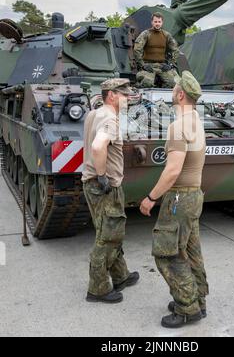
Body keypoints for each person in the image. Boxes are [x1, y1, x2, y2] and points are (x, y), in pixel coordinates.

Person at [140, 71, 209, 328]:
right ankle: (197, 299)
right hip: (195, 196)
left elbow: (172, 171)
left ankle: (187, 308)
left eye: (174, 88)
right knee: (191, 252)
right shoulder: (196, 121)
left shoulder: (177, 126)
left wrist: (150, 198)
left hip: (179, 197)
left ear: (180, 95)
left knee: (166, 254)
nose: (172, 91)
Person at [82, 78, 139, 304]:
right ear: (112, 95)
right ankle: (98, 289)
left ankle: (120, 276)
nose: (128, 98)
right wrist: (103, 175)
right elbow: (97, 146)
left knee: (110, 231)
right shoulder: (109, 119)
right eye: (124, 95)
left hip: (92, 184)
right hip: (103, 186)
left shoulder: (94, 113)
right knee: (108, 236)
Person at [134, 12, 180, 88]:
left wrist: (171, 64)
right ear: (152, 22)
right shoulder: (146, 34)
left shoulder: (166, 35)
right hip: (149, 66)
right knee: (147, 83)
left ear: (162, 22)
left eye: (159, 22)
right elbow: (137, 49)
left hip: (162, 66)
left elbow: (175, 50)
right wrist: (142, 64)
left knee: (173, 83)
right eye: (155, 22)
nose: (157, 24)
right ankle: (137, 87)